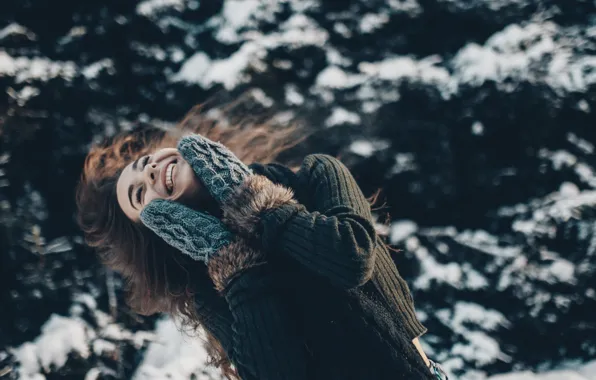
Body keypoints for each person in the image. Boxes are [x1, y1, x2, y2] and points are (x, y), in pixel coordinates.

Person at [76, 105, 449, 380]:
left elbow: (350, 259)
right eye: (140, 195)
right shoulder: (211, 288)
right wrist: (231, 260)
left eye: (146, 163)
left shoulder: (318, 176)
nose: (153, 170)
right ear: (156, 225)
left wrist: (253, 204)